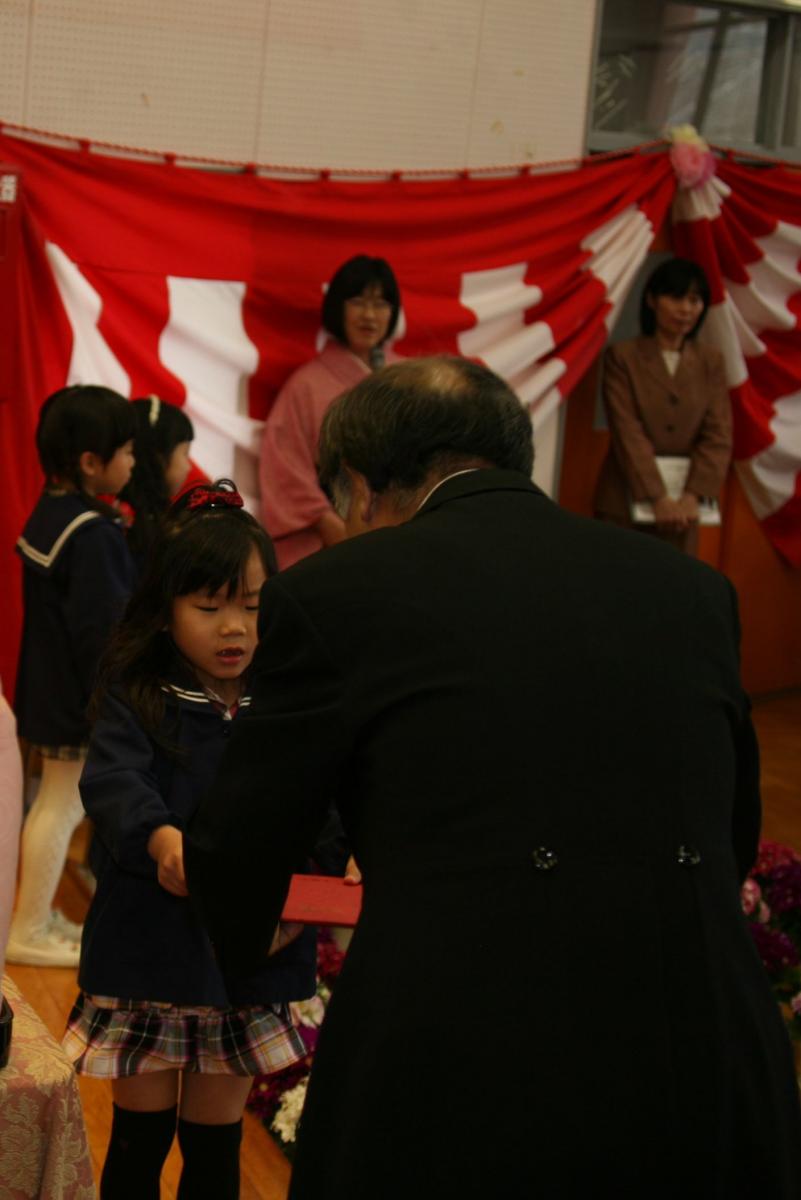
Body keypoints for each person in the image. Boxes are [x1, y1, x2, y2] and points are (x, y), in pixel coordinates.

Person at [186, 356, 801, 1199]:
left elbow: (245, 836)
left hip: (462, 1043)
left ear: (363, 488)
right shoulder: (692, 589)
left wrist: (250, 933)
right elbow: (728, 832)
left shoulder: (341, 590)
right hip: (697, 1037)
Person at [62, 480, 312, 1200]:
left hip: (245, 960)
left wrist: (309, 891)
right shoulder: (137, 693)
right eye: (210, 608)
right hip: (149, 950)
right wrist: (160, 838)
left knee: (215, 1149)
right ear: (165, 612)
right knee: (139, 1143)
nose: (234, 626)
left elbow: (320, 805)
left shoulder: (285, 698)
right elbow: (113, 782)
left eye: (253, 606)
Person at [7, 385, 137, 968]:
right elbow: (101, 631)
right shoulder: (92, 534)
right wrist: (115, 696)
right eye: (127, 451)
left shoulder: (53, 509)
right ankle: (29, 926)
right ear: (90, 462)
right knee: (62, 805)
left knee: (54, 802)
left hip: (46, 686)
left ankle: (34, 916)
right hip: (74, 697)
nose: (134, 462)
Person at [259, 253, 402, 568]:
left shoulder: (409, 381)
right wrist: (337, 530)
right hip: (331, 541)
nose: (369, 315)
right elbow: (286, 469)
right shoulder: (306, 385)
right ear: (338, 307)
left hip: (401, 532)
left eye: (380, 304)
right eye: (358, 301)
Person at [593, 256, 732, 554]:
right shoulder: (623, 356)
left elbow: (719, 434)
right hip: (626, 498)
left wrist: (693, 497)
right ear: (652, 300)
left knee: (675, 592)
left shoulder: (711, 361)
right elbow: (626, 430)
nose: (685, 308)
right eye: (676, 297)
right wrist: (657, 497)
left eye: (694, 300)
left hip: (684, 508)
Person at [119, 394, 194, 571]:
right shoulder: (126, 523)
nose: (189, 466)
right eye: (185, 454)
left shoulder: (165, 517)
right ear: (158, 457)